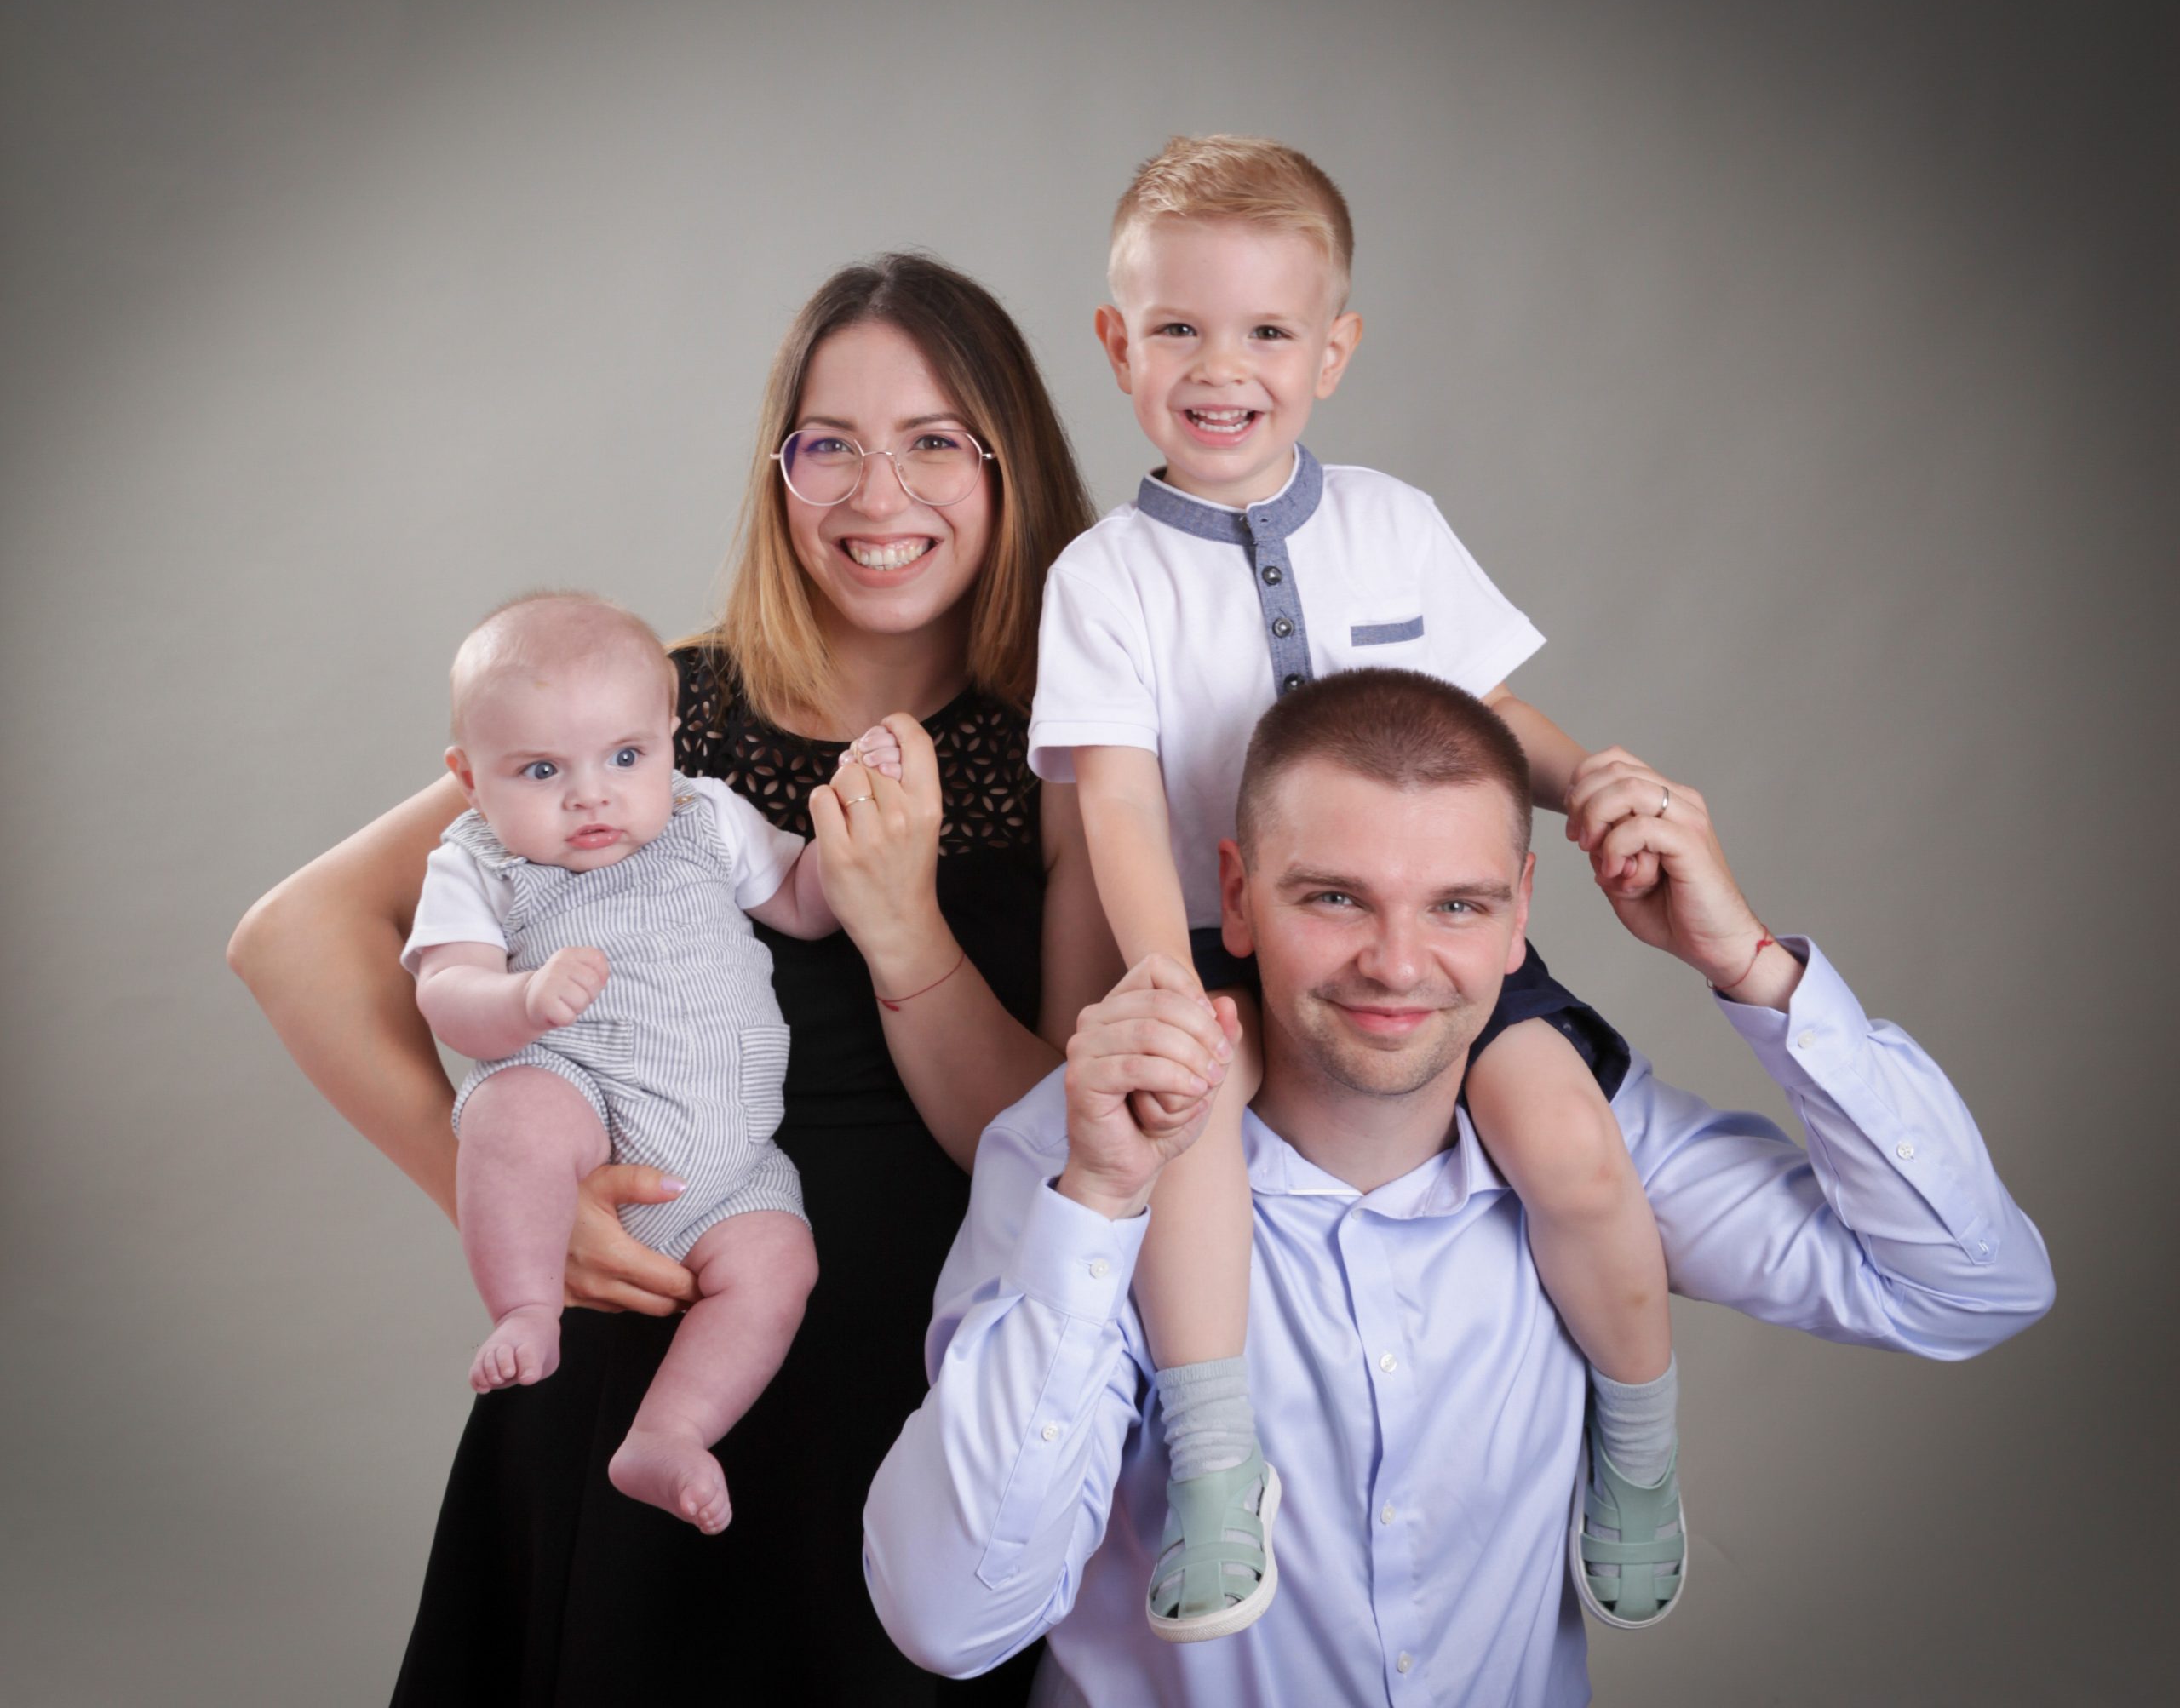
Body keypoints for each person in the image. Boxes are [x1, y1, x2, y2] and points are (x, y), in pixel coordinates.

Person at [228, 254, 1117, 1704]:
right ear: (780, 471)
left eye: (935, 440)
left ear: (1009, 465)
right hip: (656, 1368)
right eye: (830, 444)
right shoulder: (656, 717)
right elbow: (294, 936)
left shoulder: (1074, 748)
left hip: (943, 1399)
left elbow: (1068, 1136)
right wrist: (503, 1195)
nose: (876, 495)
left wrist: (905, 930)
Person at [865, 668, 2056, 1706]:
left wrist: (1746, 963)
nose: (1397, 963)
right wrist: (1105, 1203)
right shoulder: (1087, 1153)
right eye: (1334, 897)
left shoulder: (1592, 1149)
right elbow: (952, 1623)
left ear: (1519, 913)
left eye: (1457, 906)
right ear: (1236, 896)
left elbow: (1972, 1288)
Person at [1029, 133, 1679, 1637]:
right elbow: (1120, 799)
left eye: (1267, 330)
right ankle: (1215, 1459)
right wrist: (1168, 979)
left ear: (1334, 349)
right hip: (1216, 933)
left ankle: (1635, 1447)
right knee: (1191, 1138)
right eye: (1179, 328)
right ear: (1120, 343)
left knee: (1570, 1142)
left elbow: (1492, 718)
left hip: (1409, 930)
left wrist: (1595, 790)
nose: (1222, 366)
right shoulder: (1106, 577)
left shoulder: (1392, 519)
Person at [410, 593, 839, 1533]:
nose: (590, 794)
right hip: (583, 1109)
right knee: (509, 1112)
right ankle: (526, 1307)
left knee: (779, 1263)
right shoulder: (476, 860)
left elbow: (807, 903)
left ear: (670, 741)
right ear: (468, 777)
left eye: (625, 757)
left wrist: (855, 828)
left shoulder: (707, 815)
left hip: (730, 1168)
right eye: (540, 770)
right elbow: (445, 990)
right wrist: (521, 1002)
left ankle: (670, 1432)